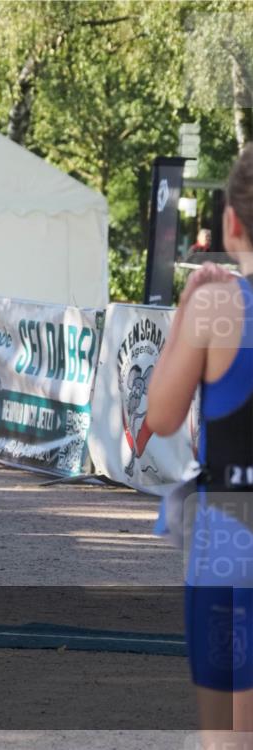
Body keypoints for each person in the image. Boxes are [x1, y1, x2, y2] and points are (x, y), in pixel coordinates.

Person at [148, 145, 253, 741]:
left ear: (231, 224)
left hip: (230, 532)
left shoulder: (217, 306)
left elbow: (161, 417)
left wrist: (188, 306)